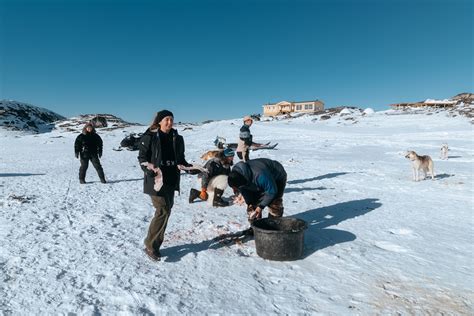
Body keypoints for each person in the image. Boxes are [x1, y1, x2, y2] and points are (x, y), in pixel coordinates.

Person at [138, 110, 192, 261]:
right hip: (156, 180)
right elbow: (142, 157)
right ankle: (151, 246)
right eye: (166, 119)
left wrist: (190, 168)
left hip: (171, 179)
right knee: (162, 210)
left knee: (166, 211)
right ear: (160, 121)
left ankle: (154, 243)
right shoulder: (149, 137)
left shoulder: (178, 138)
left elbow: (181, 159)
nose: (169, 122)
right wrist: (147, 169)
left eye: (171, 119)